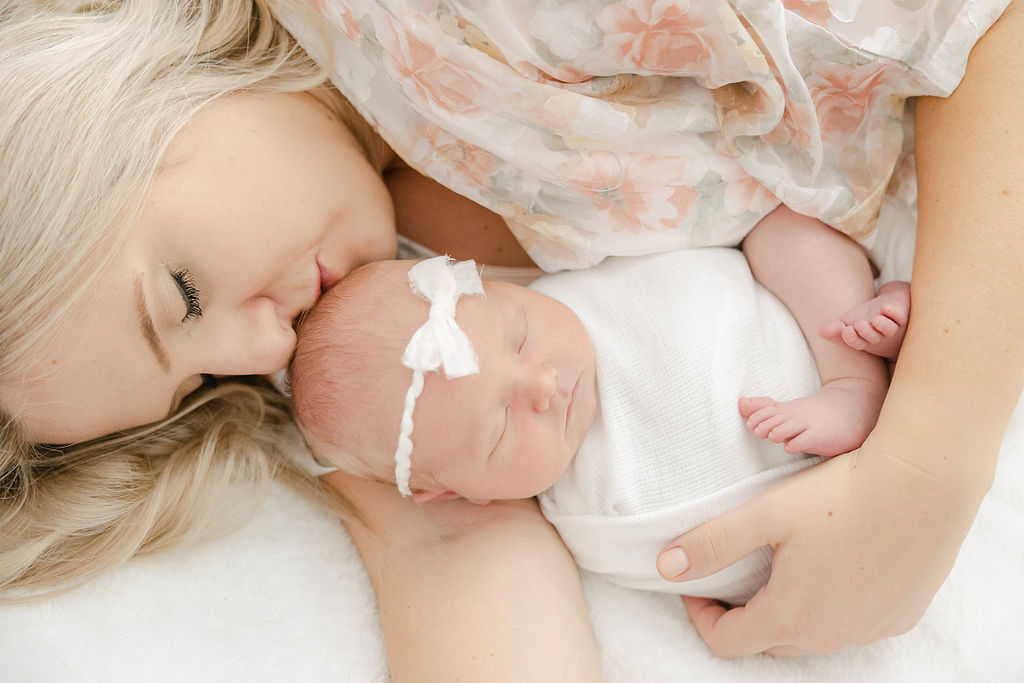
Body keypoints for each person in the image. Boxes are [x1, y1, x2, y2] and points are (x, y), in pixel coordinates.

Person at [0, 0, 1018, 678]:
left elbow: (977, 21)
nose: (256, 348)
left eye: (181, 294)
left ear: (119, 99)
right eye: (195, 383)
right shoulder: (339, 339)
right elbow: (447, 540)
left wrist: (930, 460)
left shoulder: (453, 27)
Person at [289, 246, 909, 606]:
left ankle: (857, 377)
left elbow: (720, 245)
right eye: (500, 425)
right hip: (849, 515)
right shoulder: (591, 530)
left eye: (521, 334)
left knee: (789, 238)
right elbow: (727, 576)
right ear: (454, 491)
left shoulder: (586, 278)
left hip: (819, 334)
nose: (543, 384)